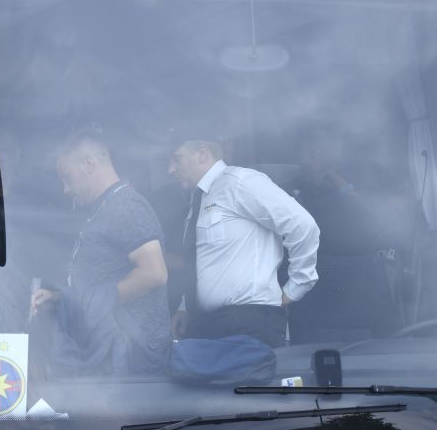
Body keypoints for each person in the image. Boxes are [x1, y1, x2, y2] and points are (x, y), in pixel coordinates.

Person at [31, 130, 172, 374]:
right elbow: (101, 281)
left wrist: (94, 304)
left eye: (67, 177)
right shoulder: (105, 207)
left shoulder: (127, 206)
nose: (65, 189)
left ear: (89, 164)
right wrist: (60, 298)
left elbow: (154, 274)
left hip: (130, 357)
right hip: (109, 353)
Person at [167, 129, 320, 347]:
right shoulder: (197, 200)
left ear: (202, 153)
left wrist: (293, 289)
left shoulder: (239, 182)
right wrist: (185, 306)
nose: (170, 169)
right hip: (208, 325)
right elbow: (205, 259)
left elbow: (303, 226)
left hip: (249, 324)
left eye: (177, 158)